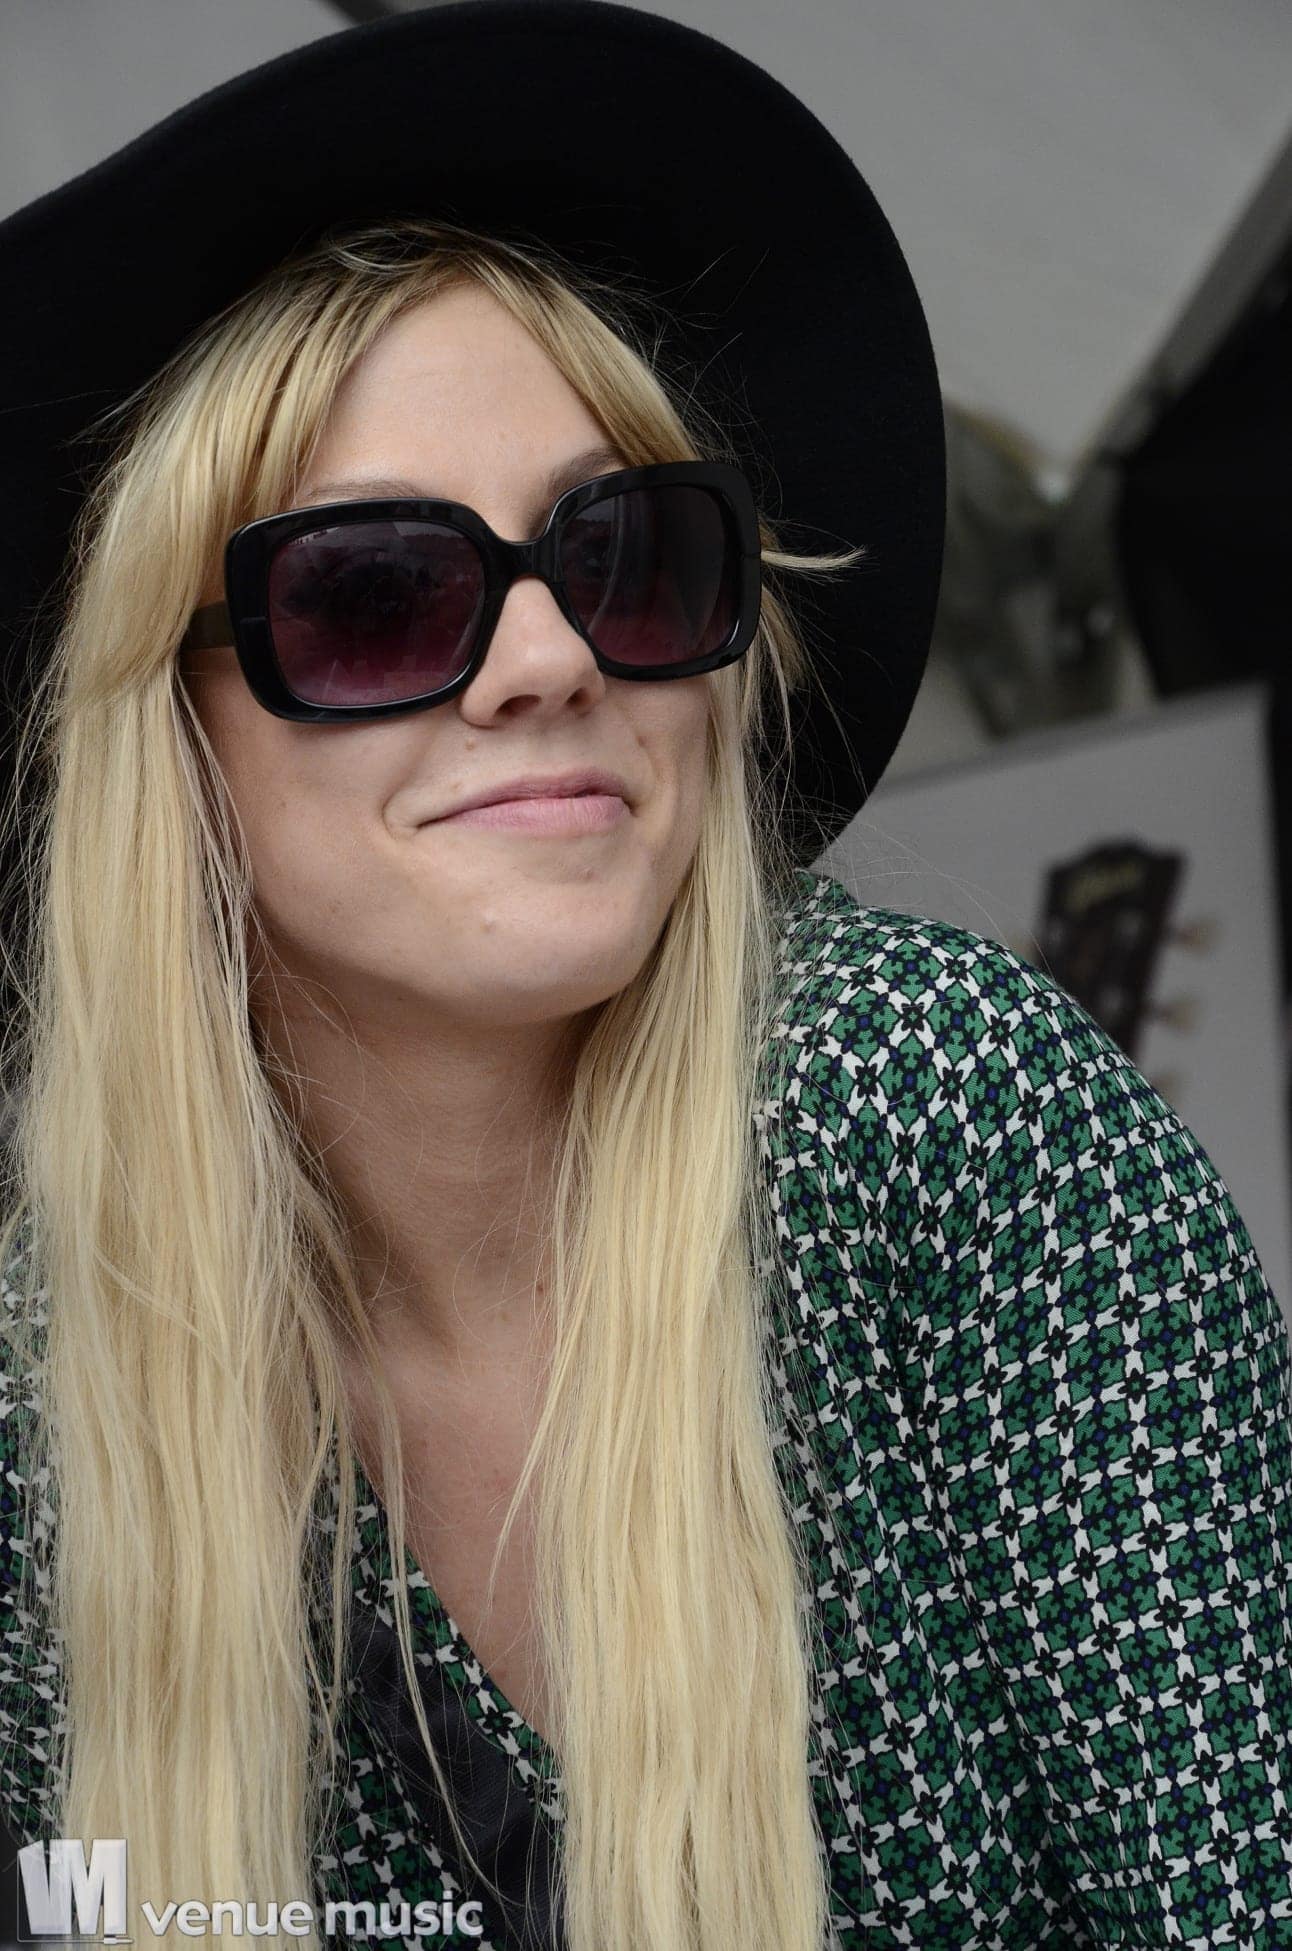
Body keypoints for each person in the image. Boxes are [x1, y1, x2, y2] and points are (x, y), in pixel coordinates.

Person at [1, 9, 1290, 1951]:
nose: (549, 662)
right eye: (374, 596)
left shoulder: (942, 1108)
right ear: (163, 737)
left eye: (624, 555)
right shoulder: (49, 1366)